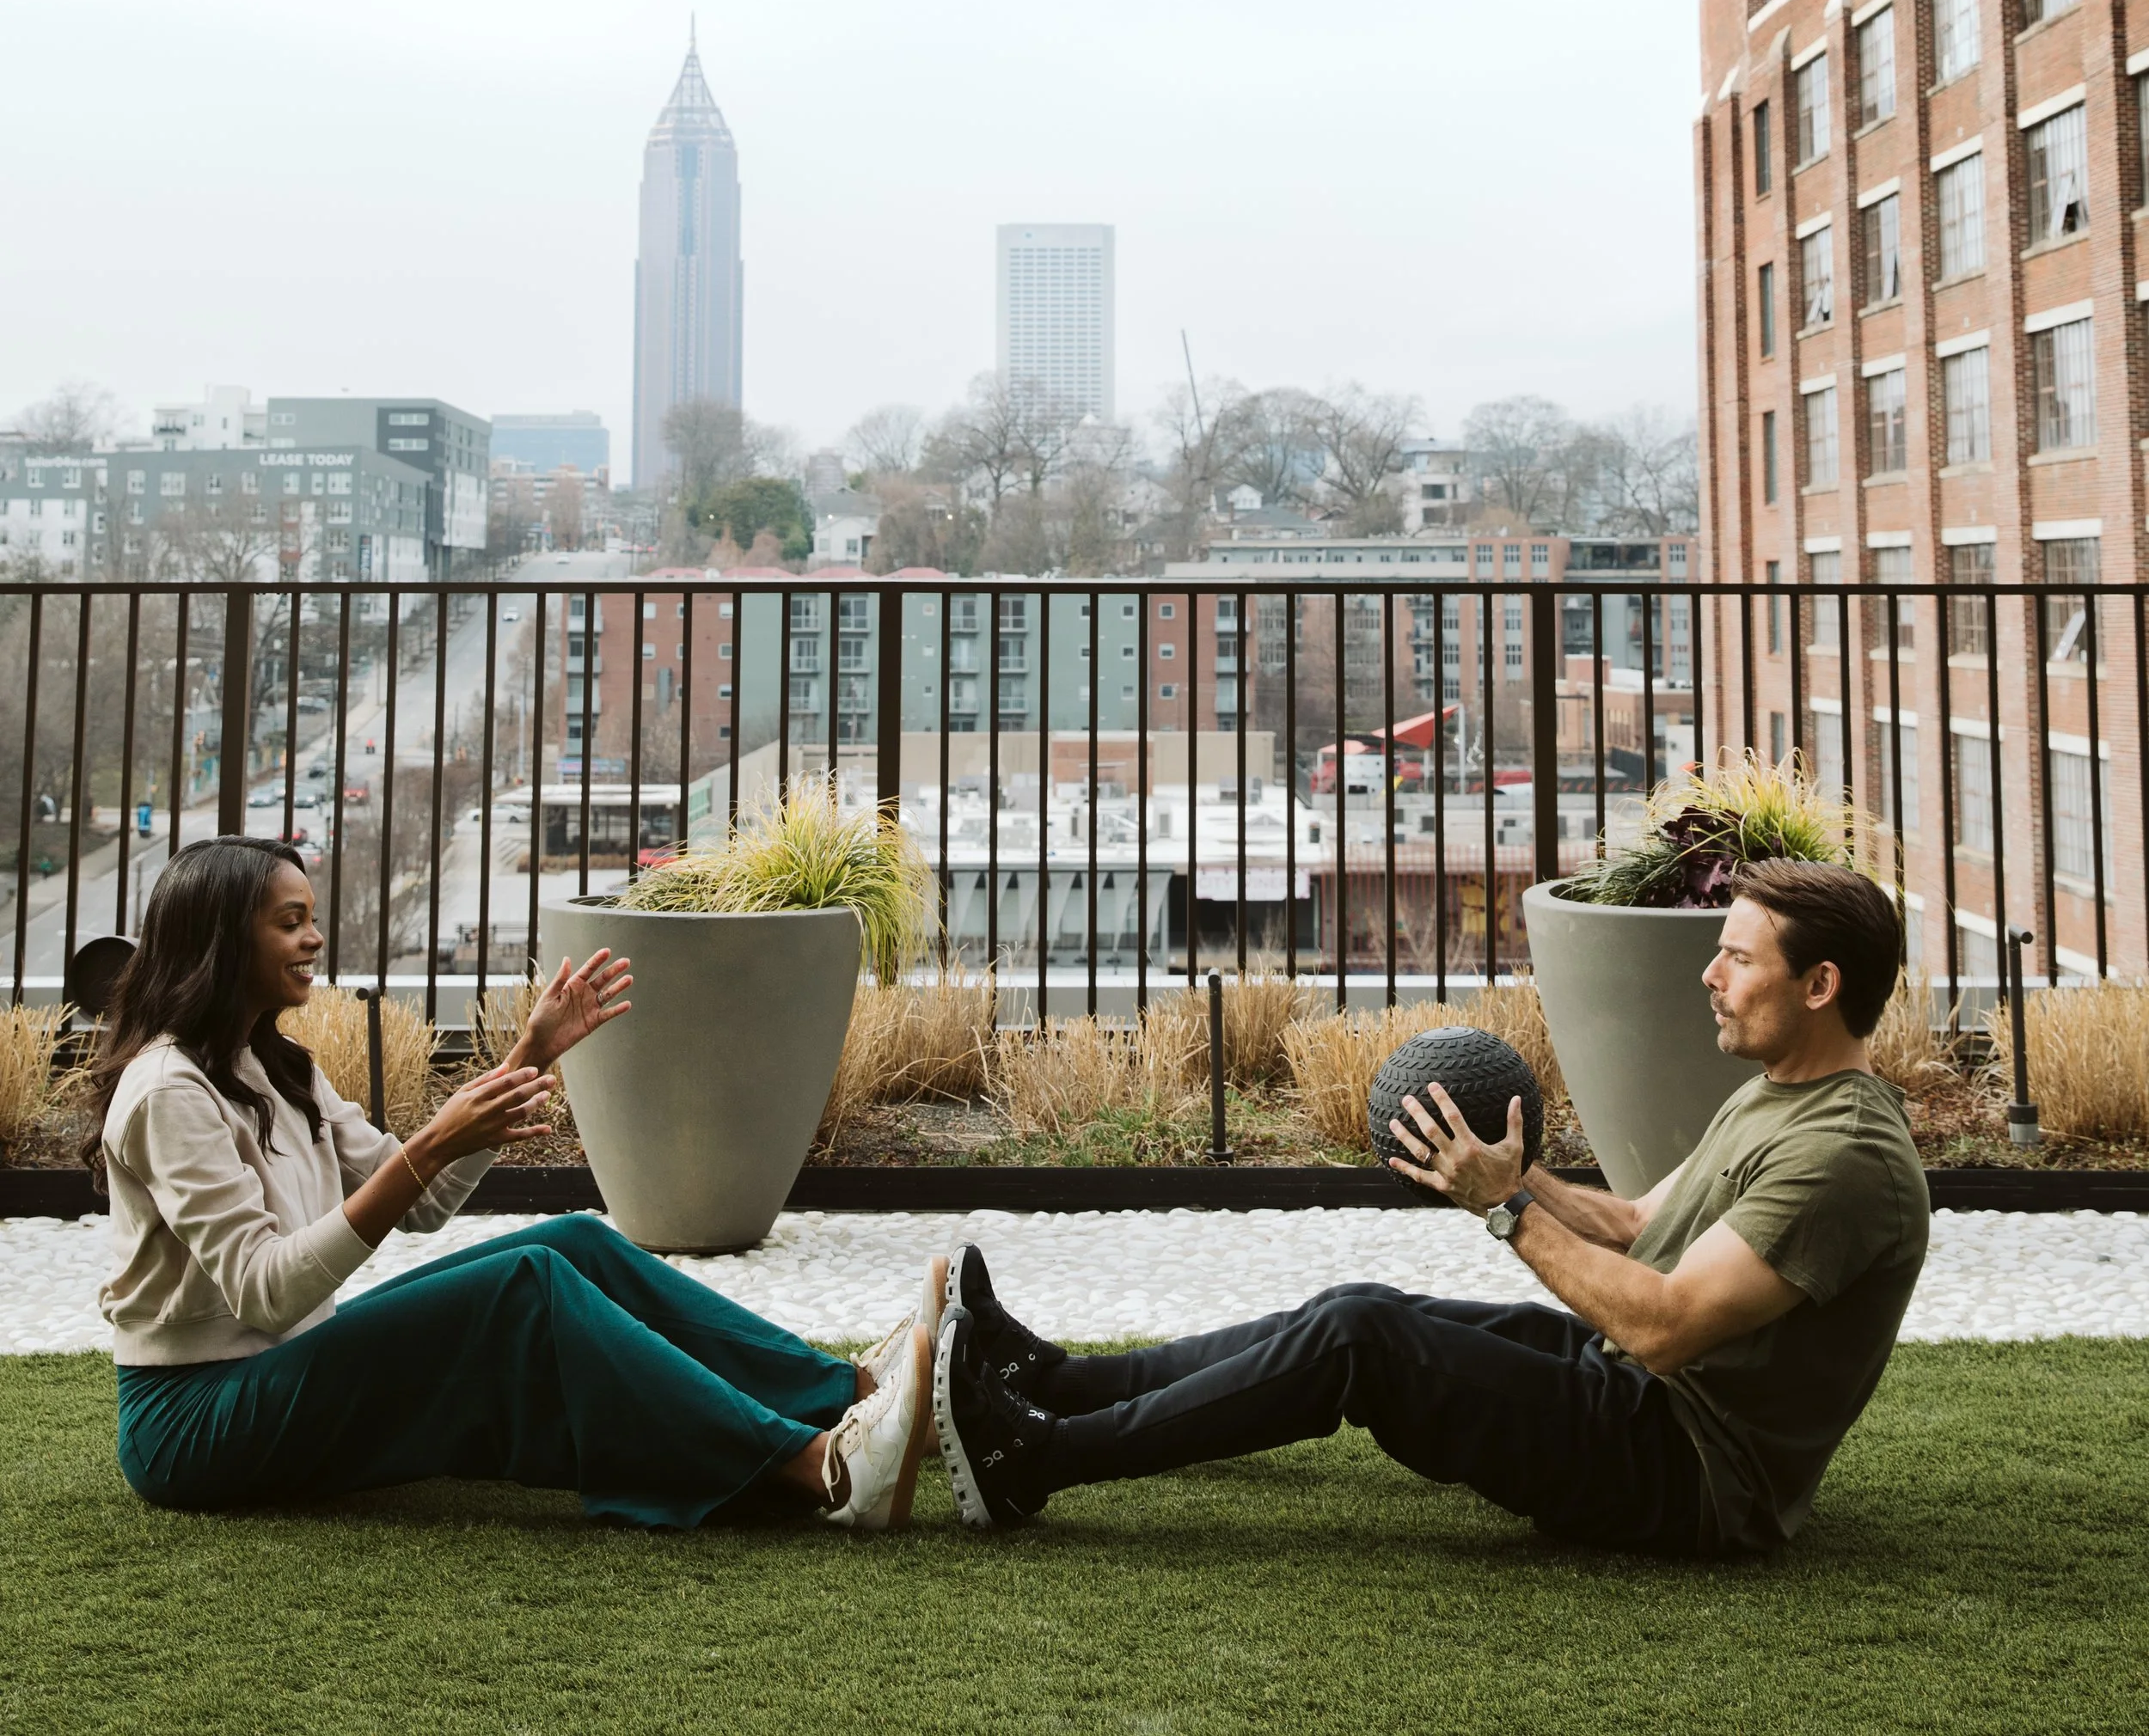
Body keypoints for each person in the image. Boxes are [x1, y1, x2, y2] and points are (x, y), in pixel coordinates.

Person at [932, 858, 1928, 1556]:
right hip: (1633, 1391)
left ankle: (1037, 1456)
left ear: (1819, 983)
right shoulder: (1784, 1089)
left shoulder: (1840, 1154)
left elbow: (1663, 1327)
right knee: (1350, 1309)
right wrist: (1496, 1173)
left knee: (1367, 1340)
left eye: (1738, 958)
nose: (1709, 975)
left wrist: (1506, 1211)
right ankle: (1057, 1380)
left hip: (1683, 1468)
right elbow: (1636, 1228)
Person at [92, 835, 941, 1531]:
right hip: (193, 1421)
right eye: (289, 921)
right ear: (219, 938)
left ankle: (855, 1394)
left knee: (569, 1241)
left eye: (311, 918)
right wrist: (427, 1144)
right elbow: (265, 1292)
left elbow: (422, 1204)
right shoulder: (169, 1090)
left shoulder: (277, 1066)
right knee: (522, 1286)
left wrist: (527, 1059)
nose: (314, 938)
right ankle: (818, 1468)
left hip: (279, 1367)